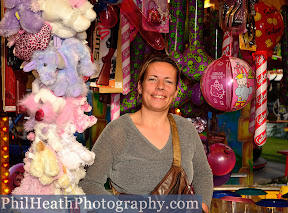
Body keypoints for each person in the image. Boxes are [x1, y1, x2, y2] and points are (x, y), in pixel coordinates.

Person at [79, 55, 213, 212]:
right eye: (152, 79)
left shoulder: (186, 129)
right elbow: (89, 183)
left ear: (176, 91)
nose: (160, 86)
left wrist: (203, 206)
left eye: (168, 81)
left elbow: (203, 173)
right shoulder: (119, 130)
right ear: (140, 87)